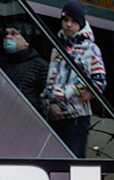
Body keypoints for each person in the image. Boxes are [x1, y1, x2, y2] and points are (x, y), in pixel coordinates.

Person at [42, 0, 106, 158]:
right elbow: (51, 80)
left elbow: (98, 84)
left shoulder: (91, 49)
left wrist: (63, 95)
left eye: (73, 21)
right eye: (65, 20)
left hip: (76, 118)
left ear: (81, 23)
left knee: (75, 166)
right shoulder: (57, 47)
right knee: (54, 165)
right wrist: (46, 98)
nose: (68, 25)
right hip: (53, 116)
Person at [0, 25, 48, 108]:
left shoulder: (40, 65)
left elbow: (45, 97)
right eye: (6, 34)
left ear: (26, 42)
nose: (8, 37)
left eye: (14, 34)